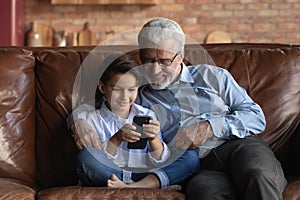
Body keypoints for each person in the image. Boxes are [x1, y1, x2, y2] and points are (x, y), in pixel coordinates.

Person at [70, 17, 287, 199]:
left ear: (180, 56)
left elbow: (256, 116)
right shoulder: (138, 90)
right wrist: (77, 122)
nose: (154, 70)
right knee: (204, 193)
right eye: (148, 60)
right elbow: (99, 103)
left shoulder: (212, 76)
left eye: (164, 61)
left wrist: (209, 127)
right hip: (198, 165)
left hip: (238, 146)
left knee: (256, 173)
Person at [75, 53, 200, 189]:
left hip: (145, 174)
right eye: (117, 89)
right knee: (86, 157)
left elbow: (161, 159)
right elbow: (99, 159)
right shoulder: (91, 120)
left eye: (131, 90)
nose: (124, 97)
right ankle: (154, 186)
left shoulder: (147, 114)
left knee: (191, 159)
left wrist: (154, 140)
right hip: (112, 173)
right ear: (102, 87)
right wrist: (116, 139)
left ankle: (135, 187)